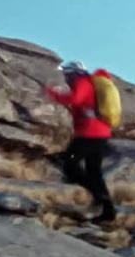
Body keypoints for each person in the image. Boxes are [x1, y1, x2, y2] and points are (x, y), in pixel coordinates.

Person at [46, 60, 116, 222]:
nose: (65, 77)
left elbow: (75, 100)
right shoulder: (87, 82)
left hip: (90, 133)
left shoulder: (82, 82)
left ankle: (92, 196)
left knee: (69, 162)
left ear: (73, 73)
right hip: (99, 132)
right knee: (94, 171)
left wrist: (54, 94)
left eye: (66, 73)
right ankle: (108, 211)